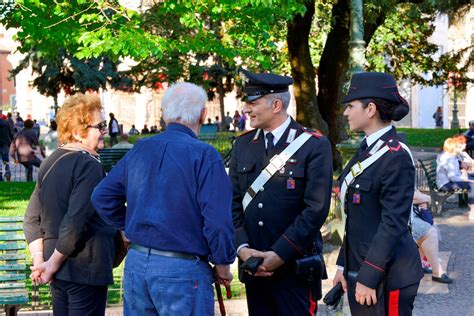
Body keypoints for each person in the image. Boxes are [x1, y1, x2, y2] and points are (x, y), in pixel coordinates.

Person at [91, 82, 236, 315]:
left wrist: (127, 225)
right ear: (203, 115)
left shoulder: (141, 148)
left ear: (164, 114)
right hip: (182, 269)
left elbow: (102, 196)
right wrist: (223, 266)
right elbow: (218, 220)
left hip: (138, 264)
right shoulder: (204, 155)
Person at [229, 69, 333, 315]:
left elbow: (315, 209)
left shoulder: (313, 145)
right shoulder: (243, 144)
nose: (246, 108)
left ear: (276, 104)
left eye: (253, 102)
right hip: (254, 267)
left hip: (294, 268)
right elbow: (232, 202)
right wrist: (242, 248)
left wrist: (279, 253)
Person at [334, 72, 423, 315]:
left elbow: (393, 223)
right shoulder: (367, 150)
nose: (345, 112)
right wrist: (343, 264)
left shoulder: (395, 156)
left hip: (387, 274)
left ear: (370, 109)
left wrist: (368, 276)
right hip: (362, 268)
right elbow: (355, 219)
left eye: (351, 106)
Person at [23, 94, 117, 315]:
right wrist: (49, 265)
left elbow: (30, 219)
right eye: (100, 126)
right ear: (77, 132)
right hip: (84, 267)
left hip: (59, 269)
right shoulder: (89, 164)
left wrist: (43, 261)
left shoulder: (50, 160)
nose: (105, 130)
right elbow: (75, 222)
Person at [412, 190, 453, 284]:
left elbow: (415, 193)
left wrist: (422, 199)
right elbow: (407, 196)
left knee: (427, 228)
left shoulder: (404, 175)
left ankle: (417, 266)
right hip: (397, 219)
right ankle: (437, 272)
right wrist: (426, 198)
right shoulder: (398, 175)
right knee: (430, 232)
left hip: (410, 215)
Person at [436, 137, 474, 220]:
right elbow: (453, 177)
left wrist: (465, 177)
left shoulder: (453, 157)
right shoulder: (448, 158)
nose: (459, 148)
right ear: (453, 148)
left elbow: (455, 174)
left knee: (471, 181)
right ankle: (472, 211)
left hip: (449, 182)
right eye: (457, 147)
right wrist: (466, 180)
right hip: (445, 184)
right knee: (472, 185)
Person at [0, 114, 13, 181]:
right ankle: (8, 175)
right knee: (6, 162)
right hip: (5, 145)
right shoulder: (6, 122)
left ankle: (0, 179)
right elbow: (11, 133)